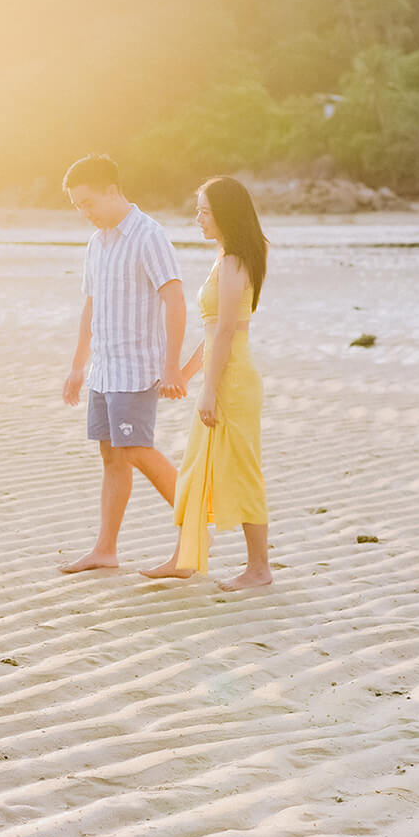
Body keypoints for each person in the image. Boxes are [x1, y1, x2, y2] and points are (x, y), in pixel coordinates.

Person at [59, 155, 188, 573]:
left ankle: (194, 536)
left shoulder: (149, 236)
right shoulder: (97, 243)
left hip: (137, 369)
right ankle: (105, 550)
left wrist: (172, 366)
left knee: (138, 451)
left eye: (89, 202)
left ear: (113, 190)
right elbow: (91, 306)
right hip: (104, 368)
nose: (85, 213)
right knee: (112, 458)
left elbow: (175, 299)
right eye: (78, 207)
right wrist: (79, 365)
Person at [141, 176, 271, 590]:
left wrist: (211, 390)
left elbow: (229, 332)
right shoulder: (225, 257)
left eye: (204, 211)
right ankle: (185, 557)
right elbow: (213, 332)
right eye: (197, 210)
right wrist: (184, 373)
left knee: (243, 469)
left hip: (233, 381)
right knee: (196, 468)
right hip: (222, 375)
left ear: (226, 213)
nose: (198, 218)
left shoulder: (235, 261)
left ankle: (259, 569)